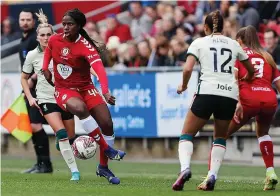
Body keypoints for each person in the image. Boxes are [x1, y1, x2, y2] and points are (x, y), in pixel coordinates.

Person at [172, 10, 255, 191]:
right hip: (229, 95)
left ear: (205, 27)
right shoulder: (233, 44)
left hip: (207, 91)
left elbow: (187, 69)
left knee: (186, 135)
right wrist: (245, 79)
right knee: (220, 137)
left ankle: (185, 169)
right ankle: (212, 176)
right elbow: (250, 69)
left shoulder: (199, 42)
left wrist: (184, 85)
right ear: (223, 27)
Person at [42, 8, 126, 185]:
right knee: (80, 108)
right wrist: (45, 69)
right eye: (64, 24)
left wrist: (104, 90)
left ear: (79, 26)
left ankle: (103, 167)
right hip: (64, 90)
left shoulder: (86, 47)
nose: (65, 27)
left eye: (70, 24)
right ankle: (107, 149)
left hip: (86, 88)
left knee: (107, 123)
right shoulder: (54, 39)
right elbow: (48, 52)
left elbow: (100, 70)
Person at [21, 9, 82, 181]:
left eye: (49, 34)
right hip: (46, 99)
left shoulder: (63, 50)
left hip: (65, 97)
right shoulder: (32, 55)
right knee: (62, 133)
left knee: (70, 136)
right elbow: (24, 78)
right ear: (38, 37)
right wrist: (30, 97)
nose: (46, 38)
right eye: (43, 35)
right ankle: (74, 172)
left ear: (53, 34)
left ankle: (62, 140)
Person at [226, 26, 280, 191]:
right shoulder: (267, 56)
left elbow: (234, 80)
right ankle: (270, 172)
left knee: (221, 135)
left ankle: (210, 175)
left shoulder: (239, 55)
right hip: (269, 99)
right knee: (263, 133)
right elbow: (279, 85)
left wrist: (237, 102)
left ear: (241, 40)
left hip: (248, 100)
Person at [19, 8, 52, 174]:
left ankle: (45, 164)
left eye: (28, 19)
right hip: (29, 89)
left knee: (36, 125)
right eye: (22, 19)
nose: (25, 22)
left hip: (39, 89)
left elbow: (41, 63)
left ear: (34, 21)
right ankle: (40, 163)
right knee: (33, 126)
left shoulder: (35, 40)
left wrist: (31, 80)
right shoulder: (24, 39)